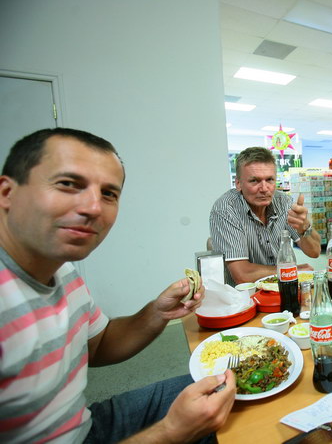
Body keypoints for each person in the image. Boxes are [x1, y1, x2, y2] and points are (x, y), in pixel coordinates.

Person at [0, 128, 236, 443]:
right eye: (69, 184)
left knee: (232, 389)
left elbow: (98, 344)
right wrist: (168, 433)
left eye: (108, 193)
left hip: (83, 423)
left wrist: (157, 312)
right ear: (7, 193)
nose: (93, 207)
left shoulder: (64, 270)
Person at [209, 147, 321, 286]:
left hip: (281, 286)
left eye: (269, 180)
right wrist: (292, 270)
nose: (264, 188)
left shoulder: (284, 202)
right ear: (238, 184)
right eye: (254, 181)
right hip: (245, 297)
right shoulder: (226, 209)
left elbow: (315, 252)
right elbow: (242, 275)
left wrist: (305, 228)